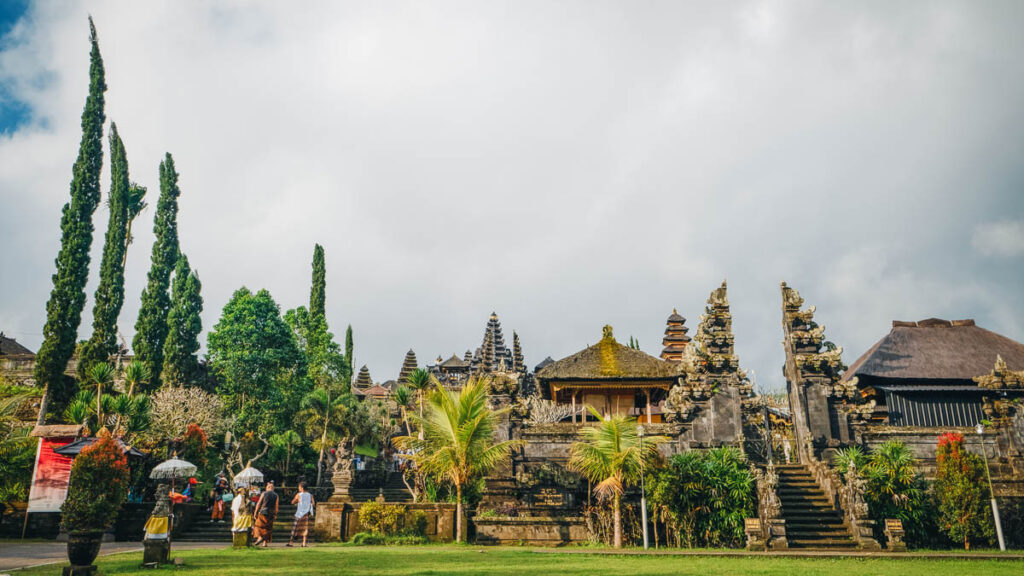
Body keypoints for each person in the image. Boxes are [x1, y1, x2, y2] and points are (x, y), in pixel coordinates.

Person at [287, 482, 315, 547]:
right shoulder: (310, 495)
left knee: (295, 528)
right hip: (306, 514)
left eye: (299, 487)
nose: (298, 488)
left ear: (302, 488)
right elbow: (313, 503)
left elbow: (293, 502)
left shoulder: (299, 495)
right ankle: (304, 543)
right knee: (305, 528)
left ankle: (291, 542)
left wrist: (298, 502)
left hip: (299, 514)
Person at [252, 481, 279, 547]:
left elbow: (259, 503)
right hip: (271, 513)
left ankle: (260, 537)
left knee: (258, 526)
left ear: (267, 488)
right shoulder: (276, 495)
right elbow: (276, 506)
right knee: (268, 528)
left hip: (263, 512)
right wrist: (275, 514)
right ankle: (265, 543)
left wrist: (255, 512)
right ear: (273, 488)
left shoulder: (264, 493)